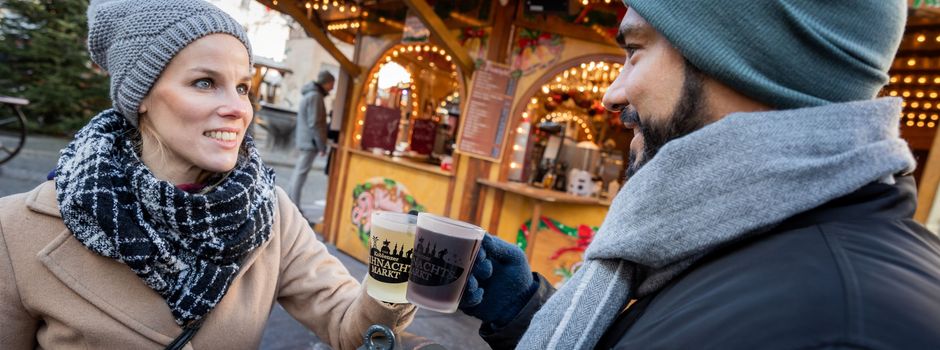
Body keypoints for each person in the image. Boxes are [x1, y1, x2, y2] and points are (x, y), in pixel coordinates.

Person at [457, 1, 940, 349]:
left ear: (743, 63)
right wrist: (525, 312)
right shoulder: (747, 248)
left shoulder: (836, 326)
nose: (612, 95)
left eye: (637, 50)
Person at [0, 1, 414, 349]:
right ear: (140, 96)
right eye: (204, 82)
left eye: (242, 87)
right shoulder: (19, 229)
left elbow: (349, 326)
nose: (239, 109)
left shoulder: (269, 212)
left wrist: (397, 273)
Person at [288, 70, 334, 206]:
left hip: (306, 140)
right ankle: (294, 206)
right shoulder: (316, 97)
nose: (333, 87)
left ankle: (290, 203)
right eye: (332, 83)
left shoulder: (311, 94)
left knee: (298, 173)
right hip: (311, 142)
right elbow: (316, 123)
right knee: (300, 175)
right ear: (326, 82)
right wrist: (322, 146)